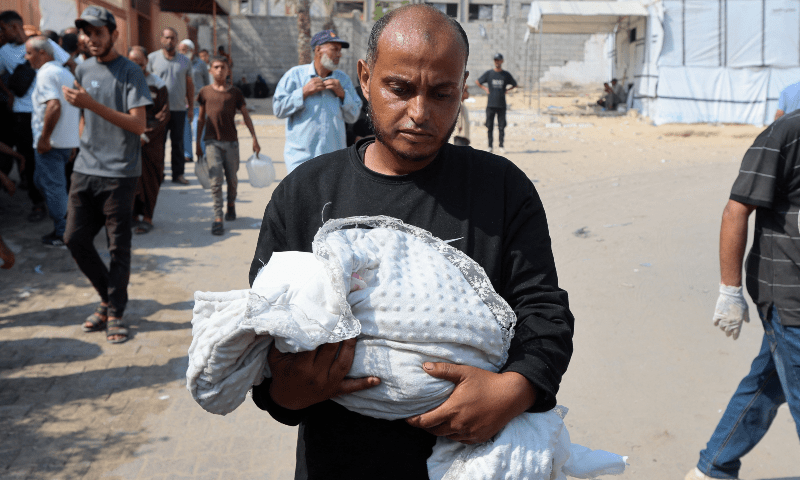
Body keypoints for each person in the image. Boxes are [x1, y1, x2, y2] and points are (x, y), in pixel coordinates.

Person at [248, 5, 574, 478]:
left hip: (478, 460)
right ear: (364, 77)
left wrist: (516, 390)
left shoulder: (502, 190)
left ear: (463, 89)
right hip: (337, 463)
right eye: (399, 89)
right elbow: (261, 334)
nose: (419, 113)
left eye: (442, 93)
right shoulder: (305, 194)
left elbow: (543, 309)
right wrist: (286, 393)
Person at [685, 111, 800, 480]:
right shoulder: (787, 133)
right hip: (788, 294)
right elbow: (736, 210)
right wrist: (729, 291)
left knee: (769, 381)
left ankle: (713, 467)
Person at [63, 6, 151, 344]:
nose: (91, 39)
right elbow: (85, 112)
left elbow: (138, 123)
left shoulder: (130, 71)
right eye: (87, 33)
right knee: (74, 238)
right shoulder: (82, 69)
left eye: (98, 32)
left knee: (118, 247)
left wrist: (89, 104)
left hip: (119, 173)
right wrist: (83, 127)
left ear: (113, 34)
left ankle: (114, 311)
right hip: (86, 168)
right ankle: (107, 296)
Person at [0, 10, 71, 222]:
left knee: (57, 157)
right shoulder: (3, 52)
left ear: (14, 27)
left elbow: (69, 65)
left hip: (51, 111)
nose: (1, 34)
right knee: (30, 162)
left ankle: (61, 204)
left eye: (3, 29)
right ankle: (38, 204)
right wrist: (9, 94)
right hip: (23, 115)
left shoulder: (43, 43)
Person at [272, 29, 361, 173]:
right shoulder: (295, 76)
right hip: (301, 160)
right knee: (302, 196)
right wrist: (303, 92)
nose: (339, 54)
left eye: (340, 50)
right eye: (335, 49)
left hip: (334, 161)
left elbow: (353, 116)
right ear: (318, 50)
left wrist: (343, 95)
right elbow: (278, 109)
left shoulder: (343, 80)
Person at [26, 36, 80, 247]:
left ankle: (63, 232)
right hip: (64, 142)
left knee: (53, 187)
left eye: (29, 53)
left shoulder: (46, 74)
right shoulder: (64, 72)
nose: (26, 57)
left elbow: (54, 107)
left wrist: (45, 138)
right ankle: (67, 223)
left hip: (52, 143)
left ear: (42, 53)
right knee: (44, 182)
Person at [196, 56, 260, 236]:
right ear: (210, 70)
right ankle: (218, 217)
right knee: (215, 180)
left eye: (222, 67)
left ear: (228, 71)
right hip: (211, 142)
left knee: (232, 179)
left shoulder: (236, 93)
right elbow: (200, 119)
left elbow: (246, 116)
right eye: (215, 67)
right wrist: (197, 143)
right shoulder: (204, 92)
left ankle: (231, 203)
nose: (219, 70)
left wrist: (254, 138)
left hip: (231, 143)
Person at [128, 46, 170, 235]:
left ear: (147, 62)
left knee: (150, 179)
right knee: (130, 180)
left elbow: (162, 115)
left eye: (140, 63)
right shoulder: (124, 82)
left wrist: (145, 135)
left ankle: (147, 218)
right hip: (129, 139)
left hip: (151, 142)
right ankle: (133, 216)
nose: (137, 67)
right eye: (133, 63)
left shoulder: (157, 84)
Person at [148, 27, 193, 184]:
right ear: (161, 39)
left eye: (173, 38)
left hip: (179, 109)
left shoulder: (185, 61)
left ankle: (178, 174)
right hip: (158, 110)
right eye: (166, 38)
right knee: (158, 144)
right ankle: (158, 173)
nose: (169, 41)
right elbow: (146, 83)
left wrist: (191, 107)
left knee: (178, 144)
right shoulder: (152, 59)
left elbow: (189, 85)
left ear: (177, 40)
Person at [475, 52, 516, 154]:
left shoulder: (505, 74)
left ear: (502, 61)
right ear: (494, 61)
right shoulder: (489, 73)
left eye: (499, 60)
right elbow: (477, 81)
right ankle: (490, 146)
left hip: (501, 105)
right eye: (495, 60)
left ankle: (501, 146)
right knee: (490, 126)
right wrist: (485, 88)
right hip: (490, 105)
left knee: (501, 127)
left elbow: (515, 84)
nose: (497, 62)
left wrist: (507, 90)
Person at [178, 38, 209, 163]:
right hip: (183, 103)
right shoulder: (179, 63)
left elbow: (206, 83)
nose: (182, 52)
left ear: (192, 50)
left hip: (198, 103)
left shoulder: (200, 64)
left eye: (184, 50)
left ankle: (202, 153)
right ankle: (187, 154)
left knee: (199, 129)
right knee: (185, 130)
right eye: (180, 50)